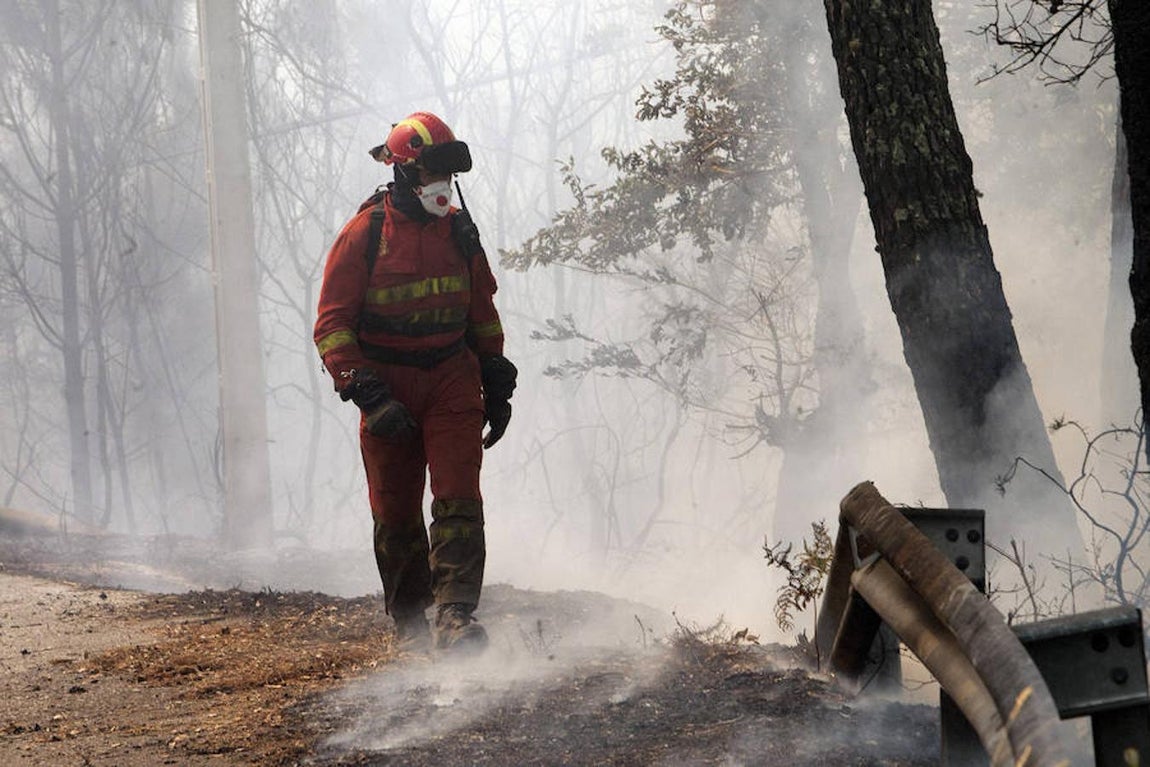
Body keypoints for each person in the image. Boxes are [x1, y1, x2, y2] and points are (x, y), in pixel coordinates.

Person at [313, 111, 517, 652]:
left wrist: (496, 380)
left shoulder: (460, 232)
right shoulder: (365, 235)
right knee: (395, 509)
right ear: (404, 172)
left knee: (458, 495)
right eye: (431, 172)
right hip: (387, 384)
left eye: (447, 174)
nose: (441, 184)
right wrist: (369, 394)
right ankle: (409, 625)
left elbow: (482, 313)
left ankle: (455, 615)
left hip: (451, 378)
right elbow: (332, 326)